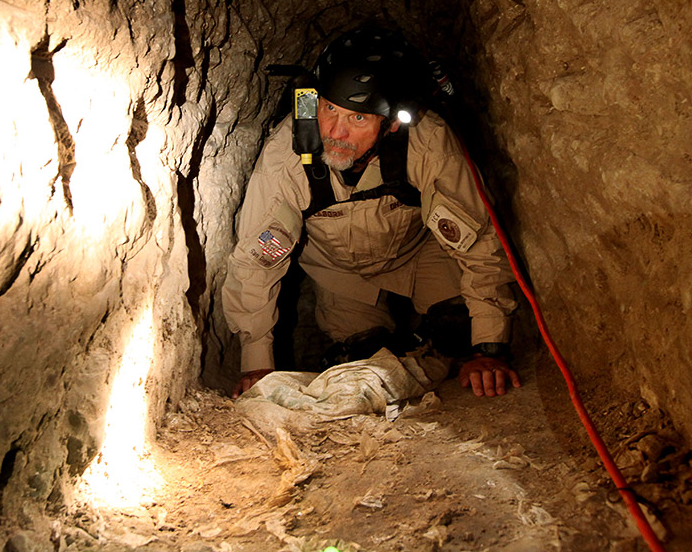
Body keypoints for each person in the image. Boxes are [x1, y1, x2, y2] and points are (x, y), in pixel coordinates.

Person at [222, 26, 521, 400]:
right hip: (339, 273)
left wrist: (488, 348)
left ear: (393, 122)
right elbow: (256, 259)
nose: (335, 131)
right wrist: (257, 365)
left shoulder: (428, 141)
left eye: (358, 119)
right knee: (363, 367)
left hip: (418, 255)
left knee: (457, 335)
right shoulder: (287, 153)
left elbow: (479, 243)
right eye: (329, 108)